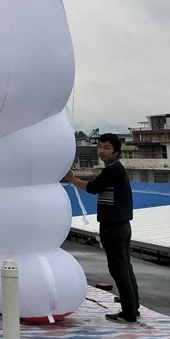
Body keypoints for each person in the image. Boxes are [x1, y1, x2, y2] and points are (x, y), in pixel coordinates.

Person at [64, 133, 139, 323]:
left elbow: (92, 188)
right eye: (100, 147)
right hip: (120, 226)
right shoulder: (113, 170)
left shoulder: (113, 170)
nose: (102, 151)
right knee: (125, 267)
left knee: (119, 269)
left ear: (116, 151)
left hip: (113, 227)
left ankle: (129, 313)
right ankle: (132, 306)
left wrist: (71, 178)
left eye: (107, 148)